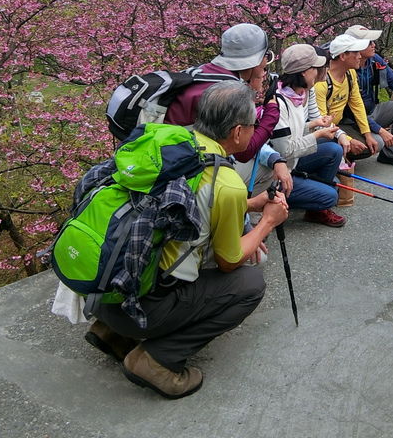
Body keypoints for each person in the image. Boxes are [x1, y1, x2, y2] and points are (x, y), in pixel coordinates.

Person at [87, 81, 290, 398]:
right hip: (144, 309)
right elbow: (229, 261)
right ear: (237, 132)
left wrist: (250, 205)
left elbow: (187, 204)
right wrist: (267, 222)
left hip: (103, 291)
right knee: (250, 284)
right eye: (253, 125)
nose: (255, 131)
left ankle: (111, 332)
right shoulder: (227, 182)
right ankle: (156, 360)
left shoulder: (173, 142)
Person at [250, 43, 347, 227]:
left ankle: (307, 200)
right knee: (331, 195)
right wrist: (318, 135)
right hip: (276, 172)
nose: (319, 72)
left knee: (333, 151)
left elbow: (292, 131)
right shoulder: (279, 102)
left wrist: (315, 125)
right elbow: (285, 149)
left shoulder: (298, 94)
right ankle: (276, 202)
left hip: (291, 164)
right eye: (315, 68)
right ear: (304, 72)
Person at [165, 23, 279, 163]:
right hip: (183, 164)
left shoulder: (200, 72)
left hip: (165, 151)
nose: (266, 62)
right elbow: (244, 151)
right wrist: (272, 113)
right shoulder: (232, 92)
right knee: (265, 173)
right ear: (256, 60)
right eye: (265, 56)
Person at [344, 24, 393, 169]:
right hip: (350, 119)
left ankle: (391, 155)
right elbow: (352, 110)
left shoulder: (374, 60)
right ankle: (343, 158)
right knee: (377, 142)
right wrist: (379, 130)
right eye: (369, 42)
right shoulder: (346, 69)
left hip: (371, 111)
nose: (374, 45)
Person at [314, 34, 378, 206]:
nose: (360, 56)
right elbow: (320, 120)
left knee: (373, 143)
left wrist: (367, 133)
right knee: (341, 147)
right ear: (342, 56)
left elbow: (357, 103)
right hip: (320, 130)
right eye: (355, 52)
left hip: (338, 126)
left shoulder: (350, 74)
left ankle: (339, 161)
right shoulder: (321, 83)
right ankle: (331, 167)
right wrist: (348, 139)